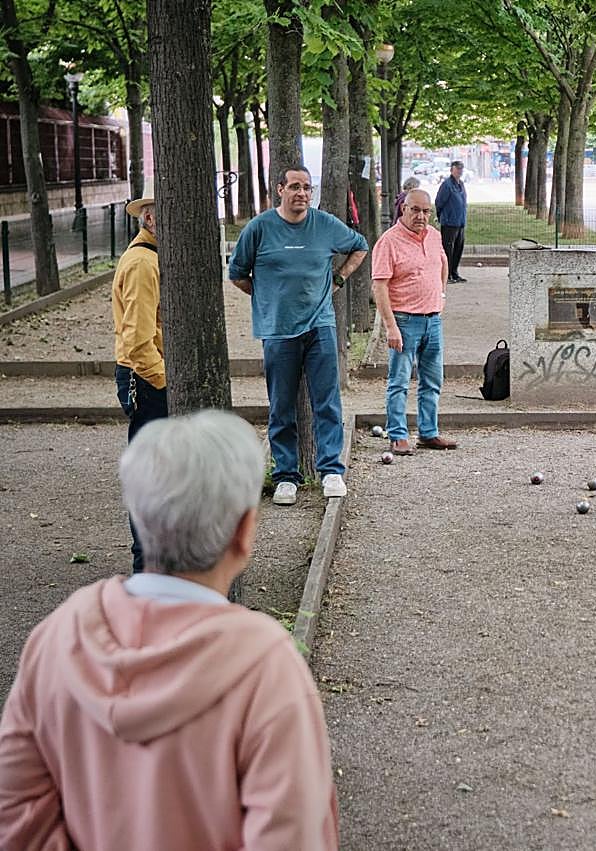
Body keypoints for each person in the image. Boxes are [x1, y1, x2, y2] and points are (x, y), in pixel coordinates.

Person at [0, 410, 338, 850]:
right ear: (244, 531)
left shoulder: (58, 637)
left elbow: (15, 814)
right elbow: (292, 836)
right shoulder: (265, 667)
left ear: (140, 518)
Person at [228, 165, 368, 506]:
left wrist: (338, 279)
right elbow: (237, 273)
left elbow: (360, 246)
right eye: (294, 187)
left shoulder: (325, 225)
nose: (302, 193)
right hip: (278, 330)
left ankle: (331, 471)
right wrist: (266, 297)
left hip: (320, 326)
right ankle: (286, 477)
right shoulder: (259, 228)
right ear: (280, 190)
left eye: (306, 187)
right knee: (281, 406)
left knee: (327, 401)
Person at [371, 189, 458, 455]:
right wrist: (390, 326)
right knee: (399, 381)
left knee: (432, 380)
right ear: (403, 209)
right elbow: (379, 286)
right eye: (415, 210)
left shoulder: (434, 236)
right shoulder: (388, 241)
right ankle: (397, 435)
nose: (421, 216)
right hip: (404, 320)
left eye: (426, 211)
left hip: (433, 319)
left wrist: (441, 295)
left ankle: (428, 432)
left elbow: (443, 263)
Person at [111, 194, 165, 574]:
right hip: (146, 377)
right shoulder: (143, 263)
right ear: (149, 220)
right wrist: (165, 383)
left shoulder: (153, 258)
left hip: (149, 373)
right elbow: (137, 342)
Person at [435, 159, 468, 283]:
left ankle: (454, 272)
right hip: (449, 222)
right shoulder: (447, 185)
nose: (459, 171)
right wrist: (441, 216)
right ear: (451, 170)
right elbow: (439, 202)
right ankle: (447, 274)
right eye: (457, 168)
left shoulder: (461, 184)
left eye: (461, 169)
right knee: (448, 249)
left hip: (460, 222)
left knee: (458, 248)